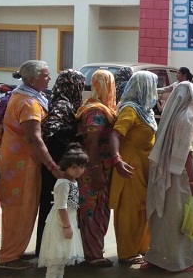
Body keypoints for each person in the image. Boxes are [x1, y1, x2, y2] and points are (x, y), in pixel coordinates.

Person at [0, 60, 64, 270]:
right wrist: (52, 166)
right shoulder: (28, 103)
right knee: (20, 211)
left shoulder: (22, 95)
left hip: (17, 161)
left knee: (19, 210)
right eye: (45, 75)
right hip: (20, 166)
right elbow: (34, 138)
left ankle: (13, 250)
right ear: (32, 79)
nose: (49, 78)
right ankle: (8, 257)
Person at [143, 81, 193, 273]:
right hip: (181, 176)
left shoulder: (170, 114)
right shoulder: (186, 117)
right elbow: (187, 152)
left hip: (165, 171)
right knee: (179, 216)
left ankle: (156, 256)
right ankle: (176, 261)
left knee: (162, 216)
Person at [108, 71, 158, 265]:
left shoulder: (145, 110)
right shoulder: (130, 110)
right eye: (153, 86)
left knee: (142, 209)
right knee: (130, 210)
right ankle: (127, 252)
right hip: (129, 165)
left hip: (144, 166)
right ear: (144, 88)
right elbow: (115, 135)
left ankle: (140, 247)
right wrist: (117, 159)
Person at [37, 70, 85, 258]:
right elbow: (50, 132)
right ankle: (48, 251)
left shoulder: (64, 102)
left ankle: (53, 249)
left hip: (61, 164)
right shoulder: (63, 104)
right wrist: (74, 135)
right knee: (54, 207)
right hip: (58, 166)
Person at [75, 70, 117, 267]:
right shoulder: (97, 111)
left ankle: (92, 250)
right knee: (93, 209)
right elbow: (92, 143)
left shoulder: (89, 106)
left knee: (92, 208)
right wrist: (96, 170)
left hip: (96, 166)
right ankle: (93, 255)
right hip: (94, 168)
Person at [37, 147, 87, 278]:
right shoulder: (64, 183)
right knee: (56, 260)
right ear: (66, 167)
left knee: (62, 260)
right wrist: (67, 227)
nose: (78, 170)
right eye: (74, 167)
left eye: (81, 166)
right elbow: (61, 207)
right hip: (60, 224)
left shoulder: (73, 182)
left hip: (68, 223)